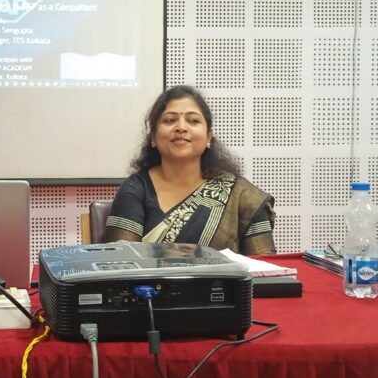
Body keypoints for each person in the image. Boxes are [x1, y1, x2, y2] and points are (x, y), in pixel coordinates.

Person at [102, 85, 276, 255]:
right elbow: (122, 263)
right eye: (170, 120)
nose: (181, 127)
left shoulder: (242, 196)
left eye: (193, 121)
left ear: (208, 137)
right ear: (153, 137)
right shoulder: (135, 190)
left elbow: (265, 267)